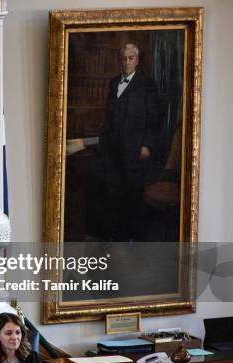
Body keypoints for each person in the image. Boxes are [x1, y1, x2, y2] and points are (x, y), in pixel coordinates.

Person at [99, 43, 159, 241]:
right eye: (124, 59)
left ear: (137, 60)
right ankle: (117, 236)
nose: (127, 62)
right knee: (114, 193)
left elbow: (153, 118)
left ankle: (134, 238)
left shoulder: (146, 84)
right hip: (113, 149)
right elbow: (109, 117)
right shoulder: (114, 82)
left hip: (135, 150)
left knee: (133, 195)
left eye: (131, 58)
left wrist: (147, 145)